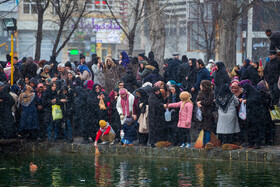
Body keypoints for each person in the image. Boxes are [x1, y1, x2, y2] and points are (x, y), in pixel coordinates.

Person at [194, 80, 214, 147]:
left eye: (201, 85)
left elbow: (208, 102)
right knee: (201, 129)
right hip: (200, 114)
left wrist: (201, 102)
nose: (200, 87)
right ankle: (201, 143)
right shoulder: (200, 93)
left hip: (207, 113)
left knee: (207, 130)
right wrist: (197, 103)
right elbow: (196, 100)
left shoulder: (211, 93)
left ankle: (207, 143)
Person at [257, 80, 274, 145]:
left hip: (260, 113)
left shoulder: (258, 94)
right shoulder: (267, 94)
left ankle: (263, 140)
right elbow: (269, 105)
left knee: (262, 127)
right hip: (266, 113)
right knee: (268, 127)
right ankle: (269, 140)